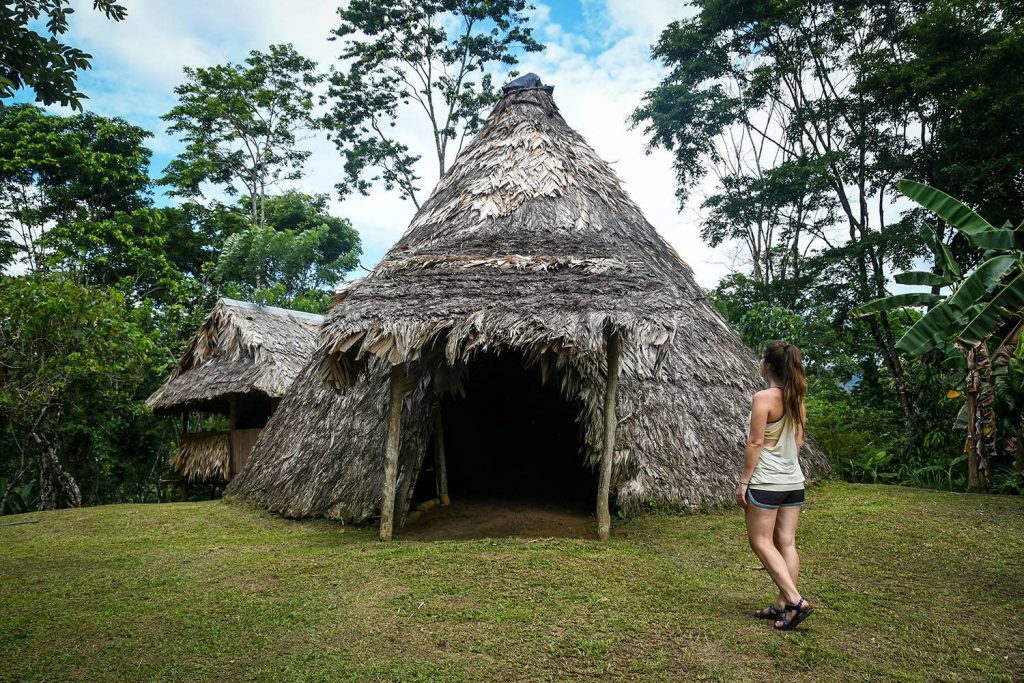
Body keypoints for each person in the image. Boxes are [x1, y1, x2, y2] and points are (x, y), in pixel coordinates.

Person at [736, 340, 814, 630]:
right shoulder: (797, 398)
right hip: (793, 481)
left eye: (762, 358)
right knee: (787, 543)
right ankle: (783, 605)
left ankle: (795, 601)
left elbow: (756, 442)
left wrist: (744, 480)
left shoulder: (764, 398)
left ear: (768, 365)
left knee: (761, 542)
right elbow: (799, 441)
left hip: (767, 481)